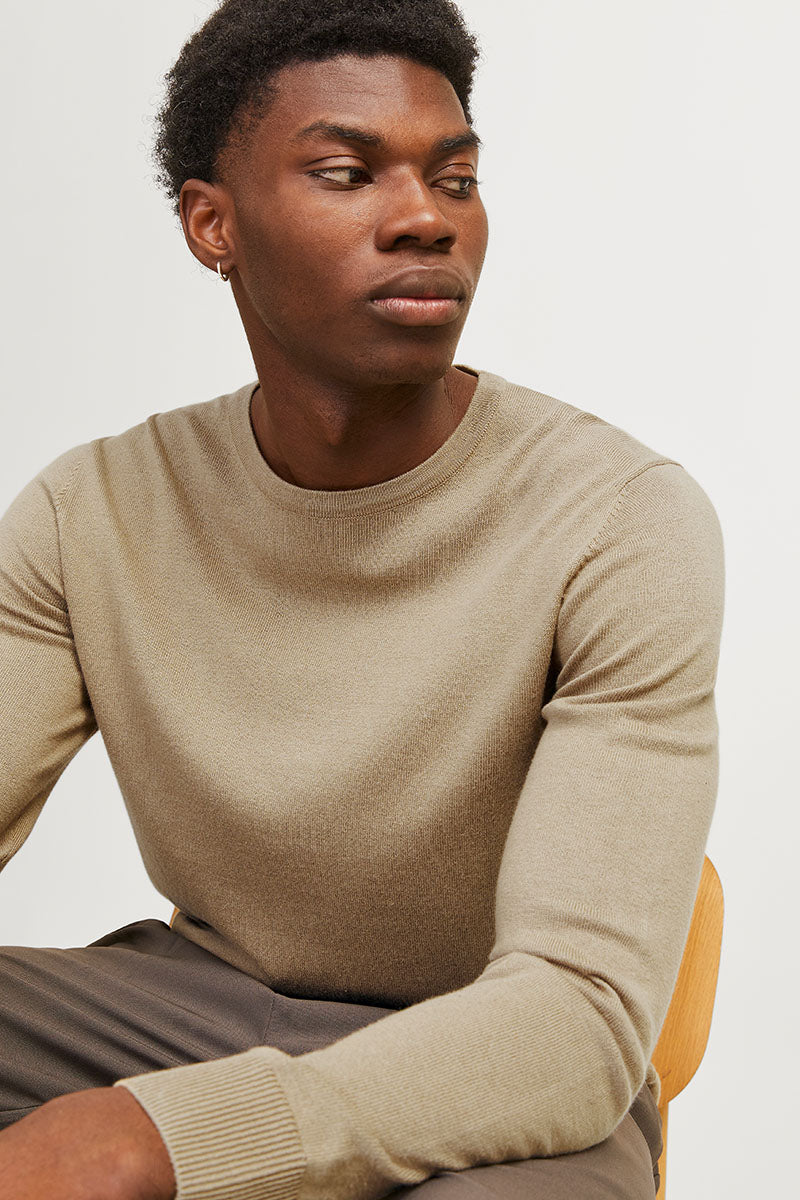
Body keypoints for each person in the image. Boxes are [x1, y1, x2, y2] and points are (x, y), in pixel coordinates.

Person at [0, 0, 725, 1197]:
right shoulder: (95, 513)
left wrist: (152, 1140)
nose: (423, 219)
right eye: (347, 174)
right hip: (190, 1012)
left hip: (501, 1056)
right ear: (213, 225)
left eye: (454, 179)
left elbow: (576, 1017)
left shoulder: (618, 519)